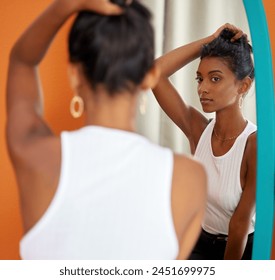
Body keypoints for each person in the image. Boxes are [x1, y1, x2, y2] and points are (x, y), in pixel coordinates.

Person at [6, 0, 207, 260]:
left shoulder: (35, 154)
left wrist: (68, 5)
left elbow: (21, 61)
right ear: (149, 76)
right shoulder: (190, 179)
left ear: (75, 76)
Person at [152, 24, 256, 260]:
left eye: (215, 78)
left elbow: (239, 226)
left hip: (240, 250)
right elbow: (156, 73)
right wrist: (209, 41)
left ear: (244, 85)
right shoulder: (198, 130)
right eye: (200, 79)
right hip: (199, 242)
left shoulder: (254, 144)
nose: (203, 89)